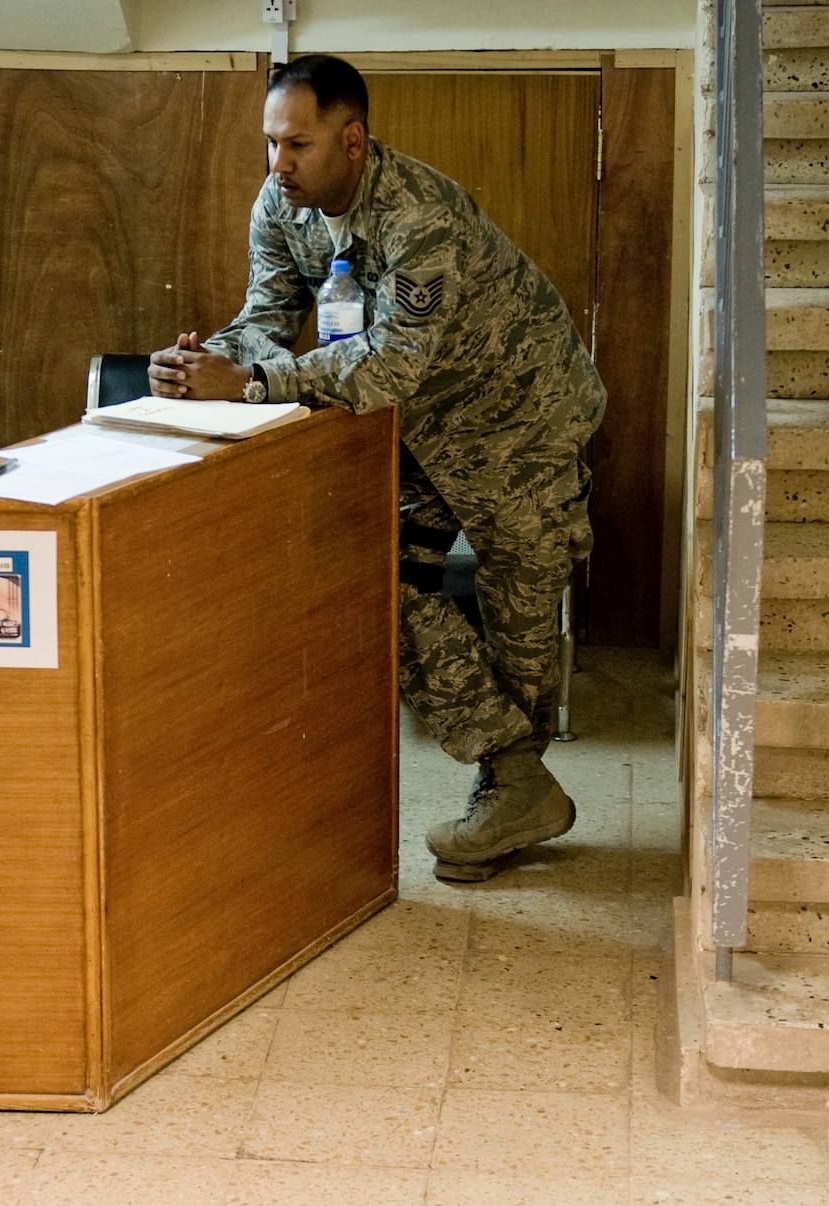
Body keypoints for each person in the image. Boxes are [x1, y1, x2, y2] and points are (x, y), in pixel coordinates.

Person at [149, 55, 605, 883]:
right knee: (371, 579)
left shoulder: (418, 215)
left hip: (521, 427)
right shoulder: (280, 204)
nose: (277, 164)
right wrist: (208, 360)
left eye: (298, 144)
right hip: (424, 432)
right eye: (270, 144)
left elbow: (392, 361)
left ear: (352, 140)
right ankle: (515, 776)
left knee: (523, 641)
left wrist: (252, 382)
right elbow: (269, 314)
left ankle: (512, 797)